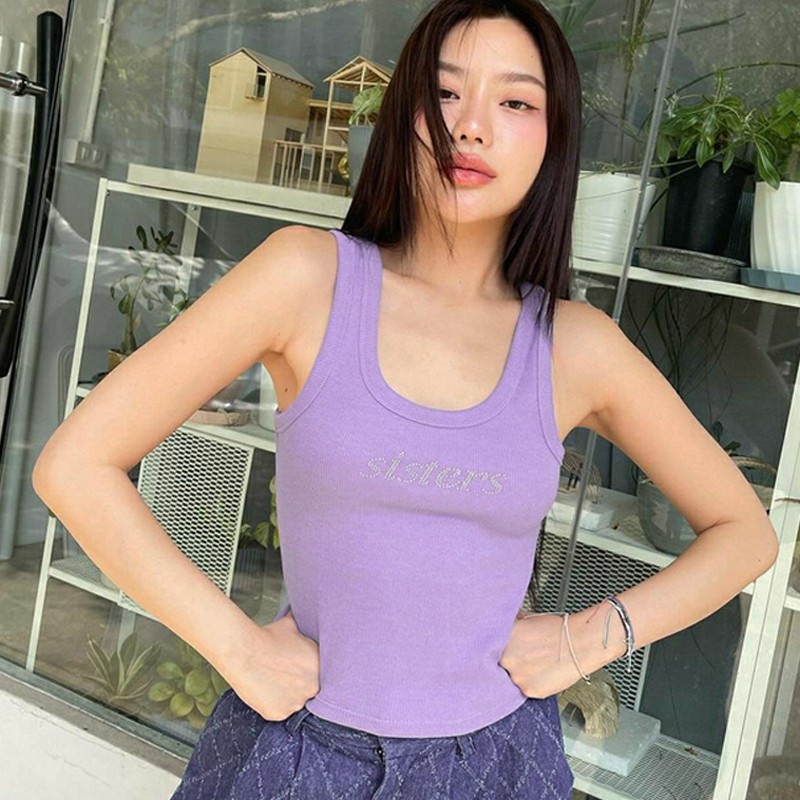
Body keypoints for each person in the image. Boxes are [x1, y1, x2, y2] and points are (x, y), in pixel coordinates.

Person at [32, 0, 779, 797]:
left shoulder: (577, 346)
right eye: (445, 93)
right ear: (404, 117)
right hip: (303, 753)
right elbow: (74, 466)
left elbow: (745, 535)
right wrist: (238, 648)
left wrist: (589, 638)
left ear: (554, 139)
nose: (471, 127)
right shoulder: (305, 279)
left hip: (498, 764)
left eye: (515, 101)